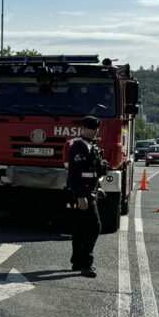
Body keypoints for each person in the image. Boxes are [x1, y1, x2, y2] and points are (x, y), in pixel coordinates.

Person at [67, 115, 104, 278]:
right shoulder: (79, 146)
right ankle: (86, 264)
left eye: (96, 129)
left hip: (90, 190)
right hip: (83, 192)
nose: (95, 132)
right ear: (84, 129)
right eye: (91, 129)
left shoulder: (90, 145)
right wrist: (81, 196)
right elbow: (74, 174)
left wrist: (99, 187)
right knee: (94, 227)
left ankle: (77, 261)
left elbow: (93, 171)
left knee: (80, 228)